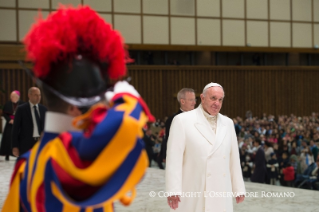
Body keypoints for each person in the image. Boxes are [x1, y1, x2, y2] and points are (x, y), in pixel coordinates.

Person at [2, 6, 154, 212]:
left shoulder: (26, 166)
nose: (103, 108)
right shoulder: (74, 157)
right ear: (75, 108)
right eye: (99, 102)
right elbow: (126, 124)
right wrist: (124, 95)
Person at [166, 82, 245, 212]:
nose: (217, 103)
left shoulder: (228, 123)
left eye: (220, 100)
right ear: (202, 98)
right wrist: (173, 190)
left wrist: (238, 188)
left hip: (221, 191)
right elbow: (174, 159)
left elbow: (233, 159)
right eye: (213, 98)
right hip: (194, 189)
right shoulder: (182, 120)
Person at [158, 88, 196, 169]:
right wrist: (165, 155)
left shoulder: (199, 118)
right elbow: (168, 140)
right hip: (180, 160)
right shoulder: (172, 119)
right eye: (191, 100)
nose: (194, 102)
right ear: (182, 101)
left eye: (194, 99)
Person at [11, 87, 47, 156]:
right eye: (35, 95)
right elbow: (15, 129)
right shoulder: (21, 109)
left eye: (39, 95)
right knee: (26, 165)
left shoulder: (44, 109)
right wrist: (15, 146)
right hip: (26, 144)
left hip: (40, 143)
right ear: (29, 95)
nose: (38, 97)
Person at [0, 90, 23, 160]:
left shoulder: (22, 104)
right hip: (10, 124)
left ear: (17, 97)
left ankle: (20, 154)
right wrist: (9, 120)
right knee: (8, 139)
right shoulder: (8, 104)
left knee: (19, 138)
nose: (11, 97)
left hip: (19, 125)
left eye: (13, 96)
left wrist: (17, 121)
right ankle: (7, 154)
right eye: (11, 96)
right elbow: (4, 114)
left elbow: (24, 114)